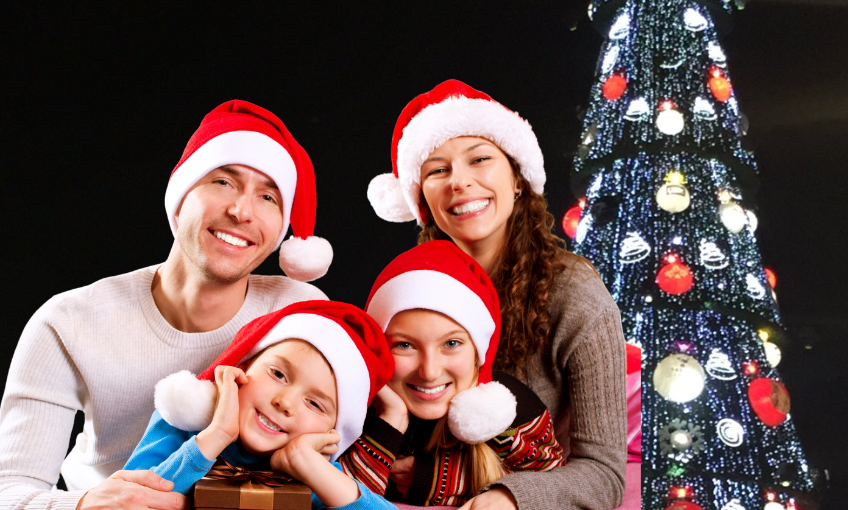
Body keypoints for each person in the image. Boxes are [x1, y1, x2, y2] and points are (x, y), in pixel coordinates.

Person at [0, 100, 335, 510]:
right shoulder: (68, 321)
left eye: (268, 196)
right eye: (223, 182)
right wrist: (83, 505)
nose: (241, 211)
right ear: (181, 195)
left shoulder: (301, 311)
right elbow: (10, 490)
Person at [366, 80, 626, 510]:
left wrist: (508, 498)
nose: (460, 183)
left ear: (518, 179)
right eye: (437, 170)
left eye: (480, 159)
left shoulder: (577, 296)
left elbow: (605, 473)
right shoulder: (407, 289)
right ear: (421, 199)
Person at [340, 239, 564, 506]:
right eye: (404, 345)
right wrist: (391, 417)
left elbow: (557, 485)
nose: (430, 371)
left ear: (478, 351)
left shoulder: (508, 410)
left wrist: (442, 479)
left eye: (451, 343)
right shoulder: (356, 409)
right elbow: (340, 498)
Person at [127, 301, 394, 510]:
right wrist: (216, 436)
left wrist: (307, 462)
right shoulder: (182, 430)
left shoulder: (311, 470)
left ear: (331, 430)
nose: (285, 402)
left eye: (314, 403)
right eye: (278, 374)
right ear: (242, 368)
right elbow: (125, 501)